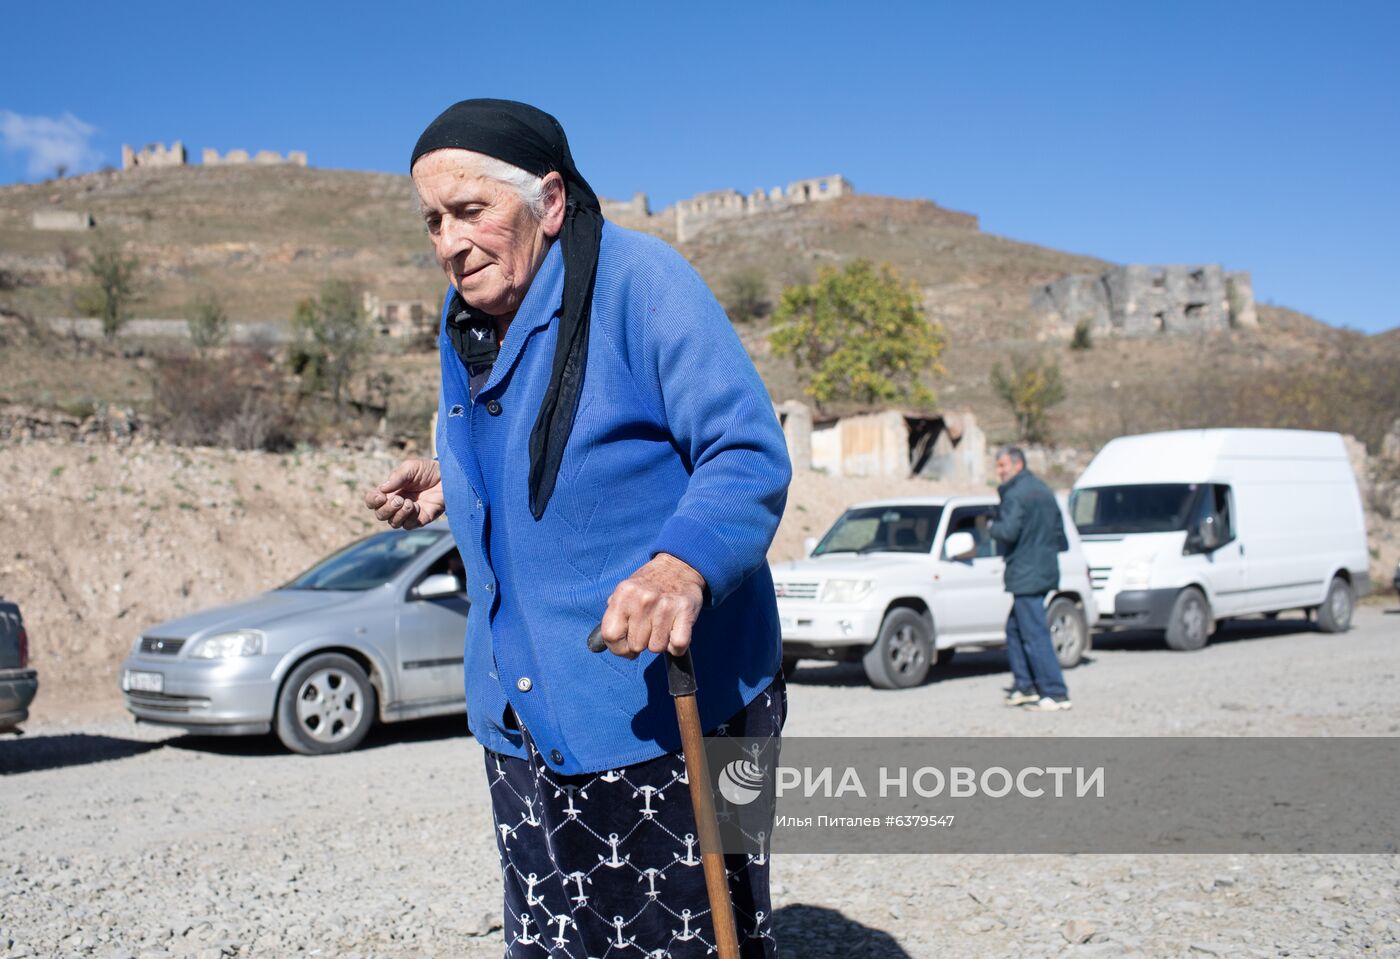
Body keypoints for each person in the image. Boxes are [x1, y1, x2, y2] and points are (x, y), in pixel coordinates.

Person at [363, 99, 790, 958]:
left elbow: (746, 452)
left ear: (550, 202)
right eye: (433, 222)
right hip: (523, 720)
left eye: (471, 211)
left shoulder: (642, 284)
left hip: (664, 712)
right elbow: (550, 448)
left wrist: (681, 565)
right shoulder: (469, 323)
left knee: (691, 941)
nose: (449, 242)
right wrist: (456, 481)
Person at [989, 446, 1072, 711]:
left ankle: (1055, 691)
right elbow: (1060, 534)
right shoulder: (1044, 491)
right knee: (1014, 629)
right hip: (1043, 569)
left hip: (1026, 573)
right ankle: (1025, 686)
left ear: (1017, 465)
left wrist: (992, 527)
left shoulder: (1015, 495)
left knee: (1034, 633)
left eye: (1002, 466)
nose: (999, 472)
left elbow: (1009, 532)